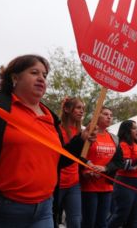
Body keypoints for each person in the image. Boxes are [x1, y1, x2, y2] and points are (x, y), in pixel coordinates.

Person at [0, 54, 93, 227]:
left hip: (44, 211)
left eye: (44, 75)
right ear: (15, 77)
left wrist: (80, 140)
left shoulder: (51, 118)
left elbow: (58, 161)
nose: (41, 78)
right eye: (34, 72)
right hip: (0, 212)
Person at [80, 107, 117, 228]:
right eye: (105, 114)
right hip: (89, 186)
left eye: (111, 115)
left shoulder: (113, 138)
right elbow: (79, 156)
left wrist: (105, 168)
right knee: (88, 223)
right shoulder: (88, 134)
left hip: (107, 186)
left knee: (102, 223)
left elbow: (118, 161)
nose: (109, 117)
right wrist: (88, 168)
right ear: (97, 116)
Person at [107, 120, 137, 228]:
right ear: (127, 131)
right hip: (125, 183)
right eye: (134, 128)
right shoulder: (124, 144)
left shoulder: (136, 145)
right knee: (121, 215)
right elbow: (124, 164)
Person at [54, 97, 85, 228]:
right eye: (78, 108)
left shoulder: (81, 132)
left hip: (74, 183)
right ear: (66, 109)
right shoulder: (56, 130)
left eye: (83, 109)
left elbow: (81, 157)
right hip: (57, 183)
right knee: (53, 219)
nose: (82, 111)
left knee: (76, 222)